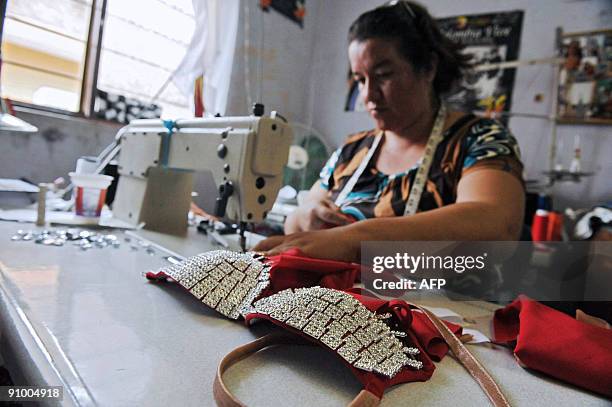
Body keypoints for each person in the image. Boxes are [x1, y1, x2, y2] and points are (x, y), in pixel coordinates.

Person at [254, 1, 525, 262]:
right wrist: (306, 217)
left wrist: (356, 239)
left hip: (448, 307)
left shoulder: (480, 139)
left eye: (383, 75)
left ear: (428, 68)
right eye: (360, 80)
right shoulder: (352, 151)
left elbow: (496, 225)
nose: (368, 95)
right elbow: (299, 218)